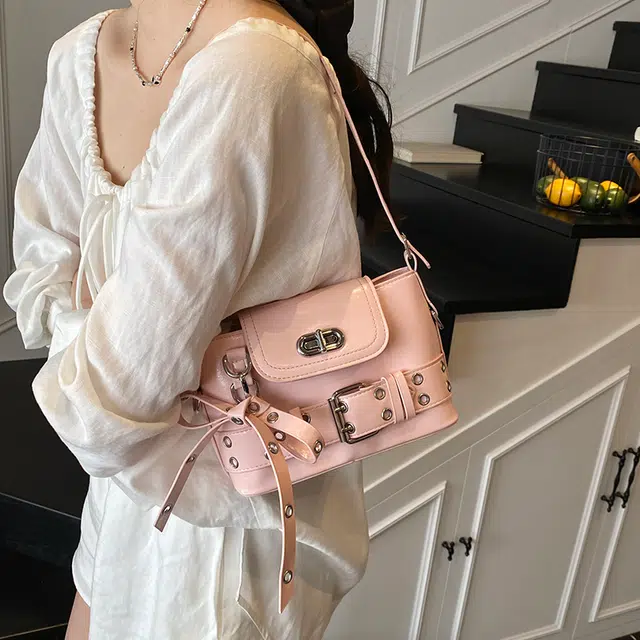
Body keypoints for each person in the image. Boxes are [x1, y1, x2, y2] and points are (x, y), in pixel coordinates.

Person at [3, 0, 394, 637]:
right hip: (126, 495)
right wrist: (110, 354)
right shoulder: (79, 57)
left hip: (227, 530)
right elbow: (41, 275)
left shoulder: (250, 68)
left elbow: (106, 404)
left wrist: (104, 349)